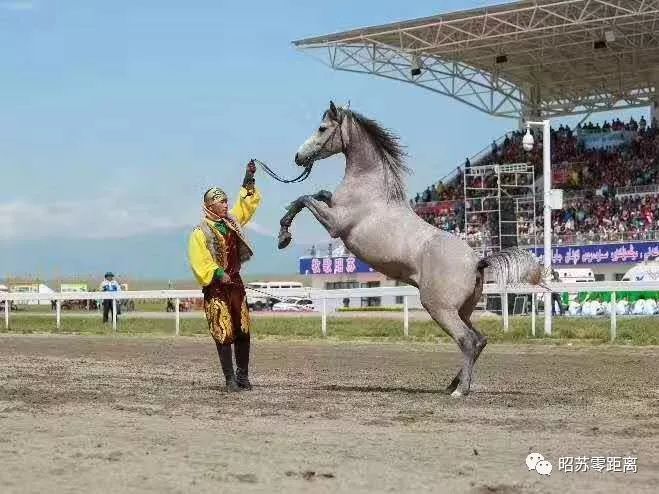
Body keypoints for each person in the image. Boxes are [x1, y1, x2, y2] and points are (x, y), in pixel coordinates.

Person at [188, 160, 261, 392]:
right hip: (216, 288)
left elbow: (246, 206)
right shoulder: (200, 232)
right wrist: (218, 272)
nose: (225, 204)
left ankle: (243, 376)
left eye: (226, 200)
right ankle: (229, 378)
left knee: (243, 329)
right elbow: (200, 260)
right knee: (223, 331)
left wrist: (248, 178)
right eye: (221, 202)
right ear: (210, 206)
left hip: (236, 285)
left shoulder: (231, 222)